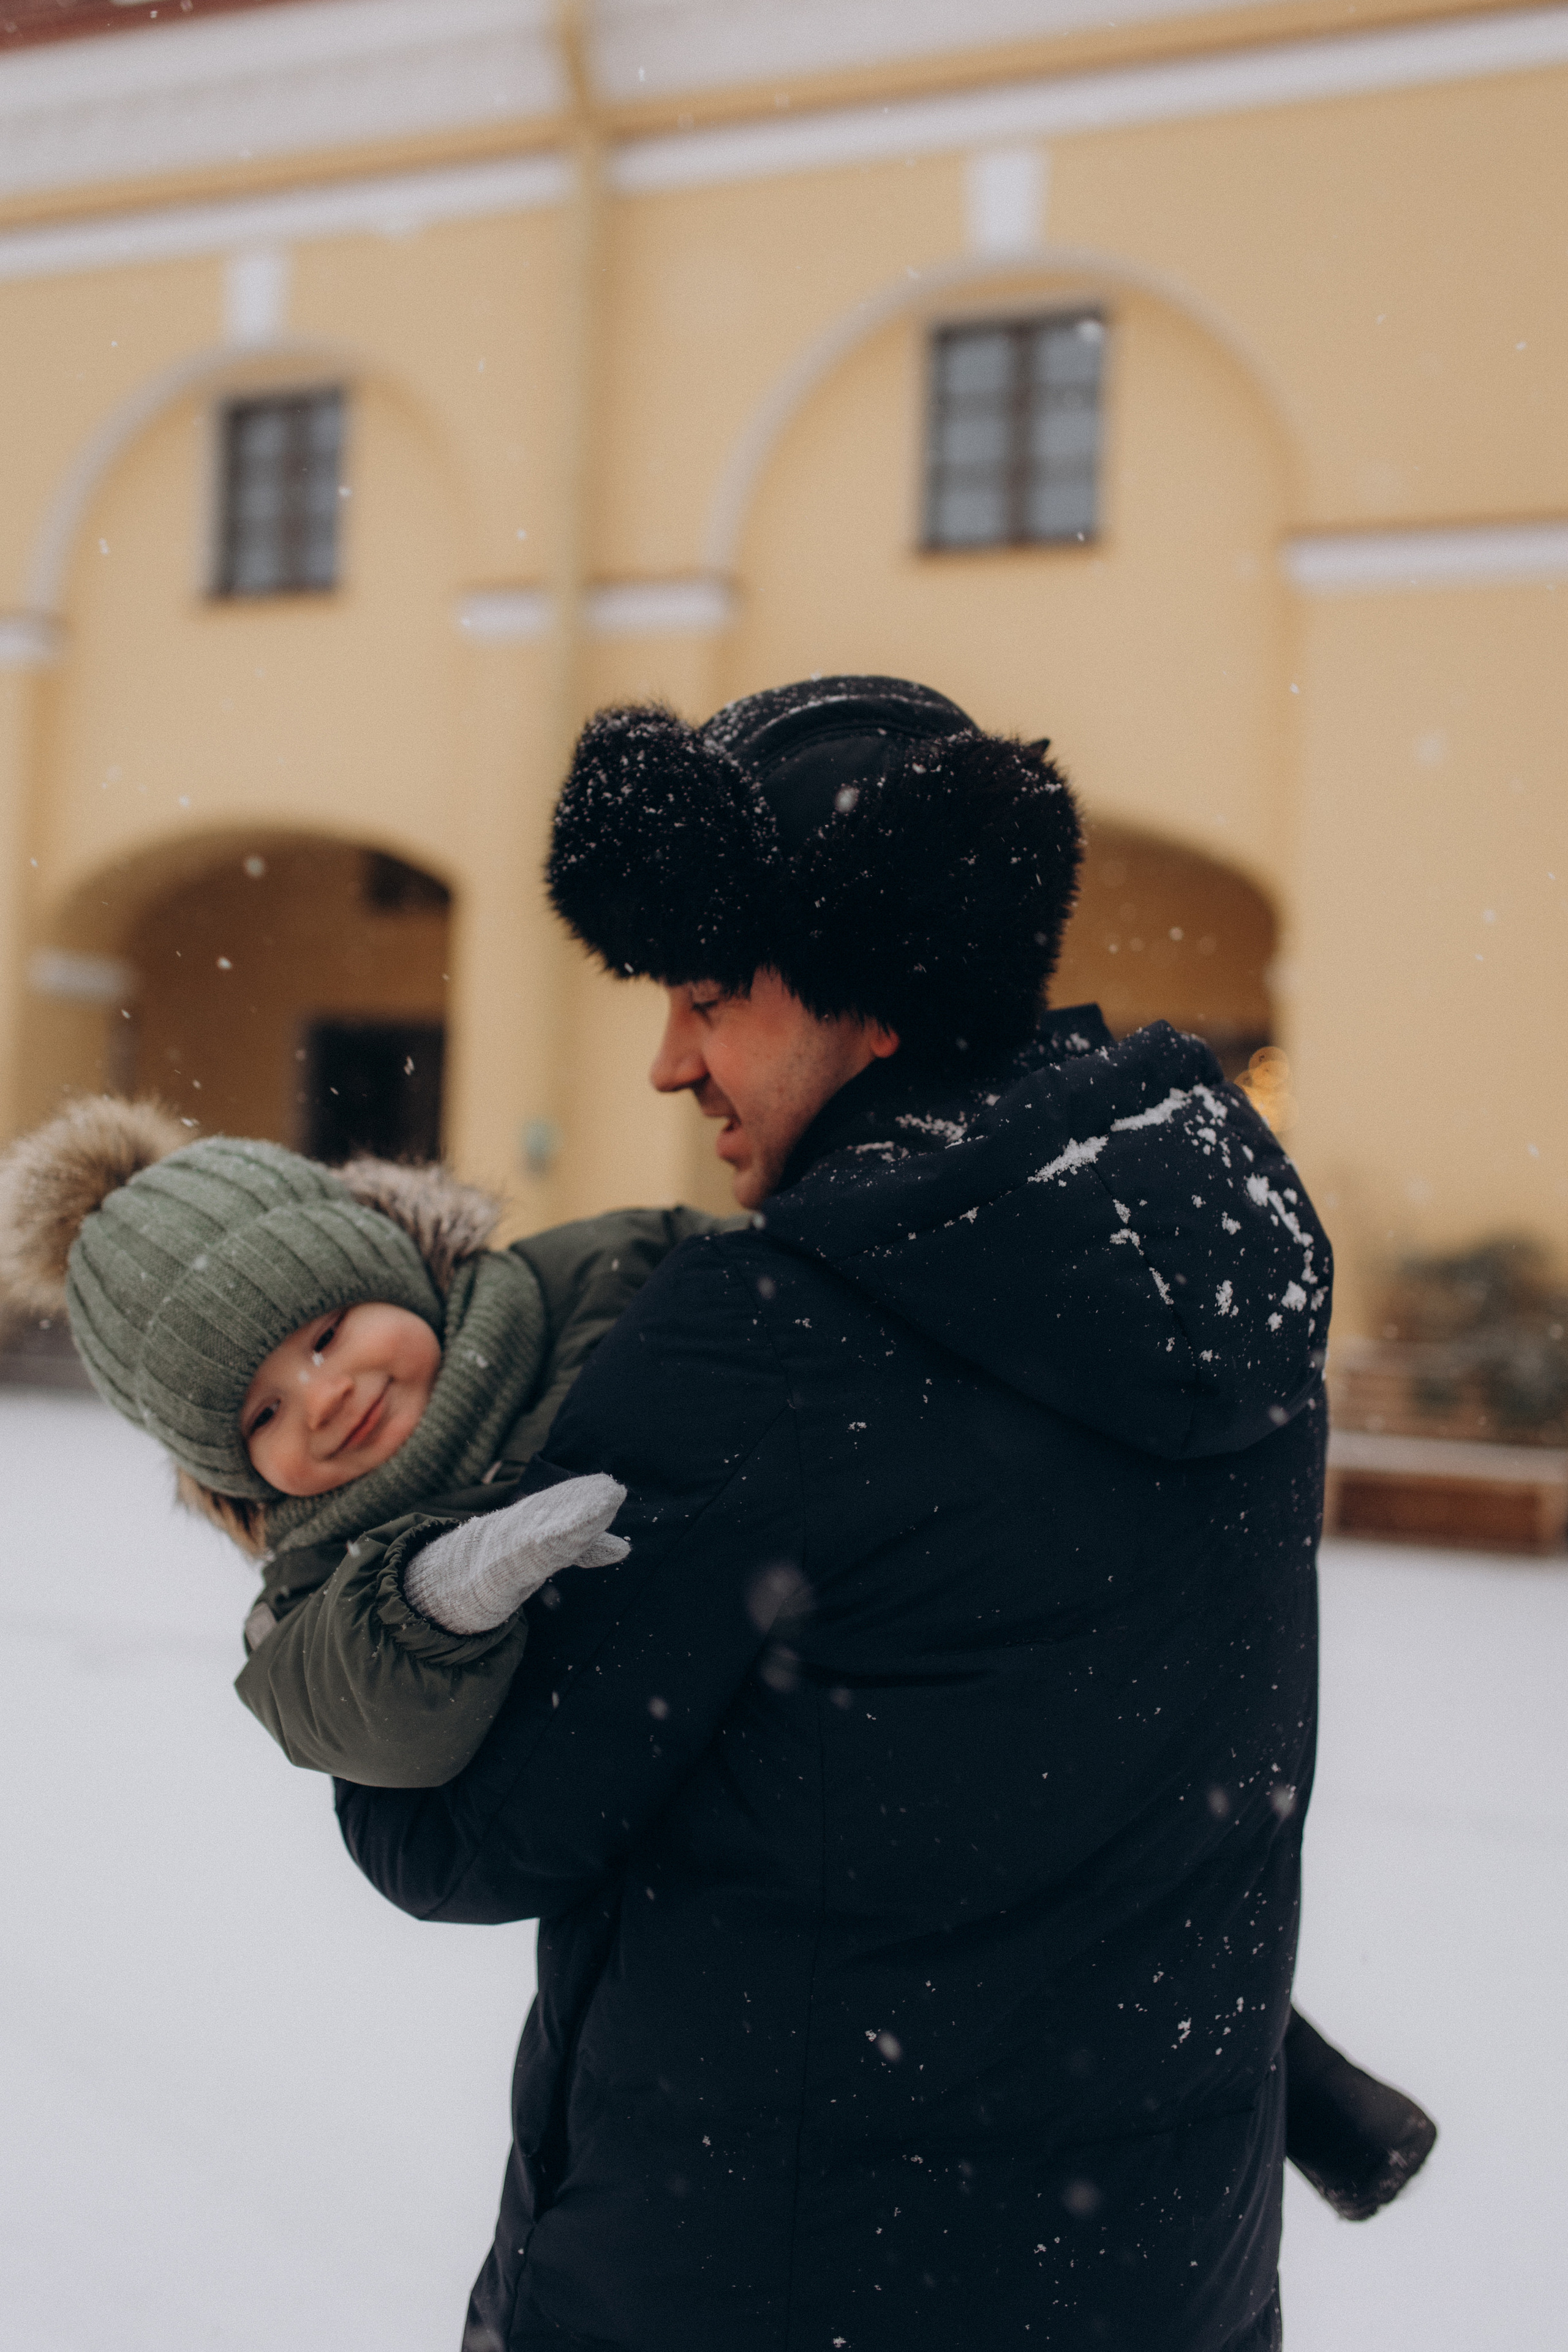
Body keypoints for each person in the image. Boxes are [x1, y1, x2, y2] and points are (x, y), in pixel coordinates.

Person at [334, 677, 1433, 2352]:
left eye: (708, 996)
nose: (666, 1060)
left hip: (774, 2291)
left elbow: (463, 1834)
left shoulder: (769, 1339)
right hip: (1160, 2284)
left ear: (884, 988)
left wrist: (354, 1549)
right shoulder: (1229, 1252)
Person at [0, 1099, 723, 1787]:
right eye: (263, 1415)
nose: (324, 1397)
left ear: (396, 1271)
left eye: (327, 1334)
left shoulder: (612, 1275)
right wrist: (433, 1600)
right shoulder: (309, 1593)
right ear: (231, 1473)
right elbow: (347, 1710)